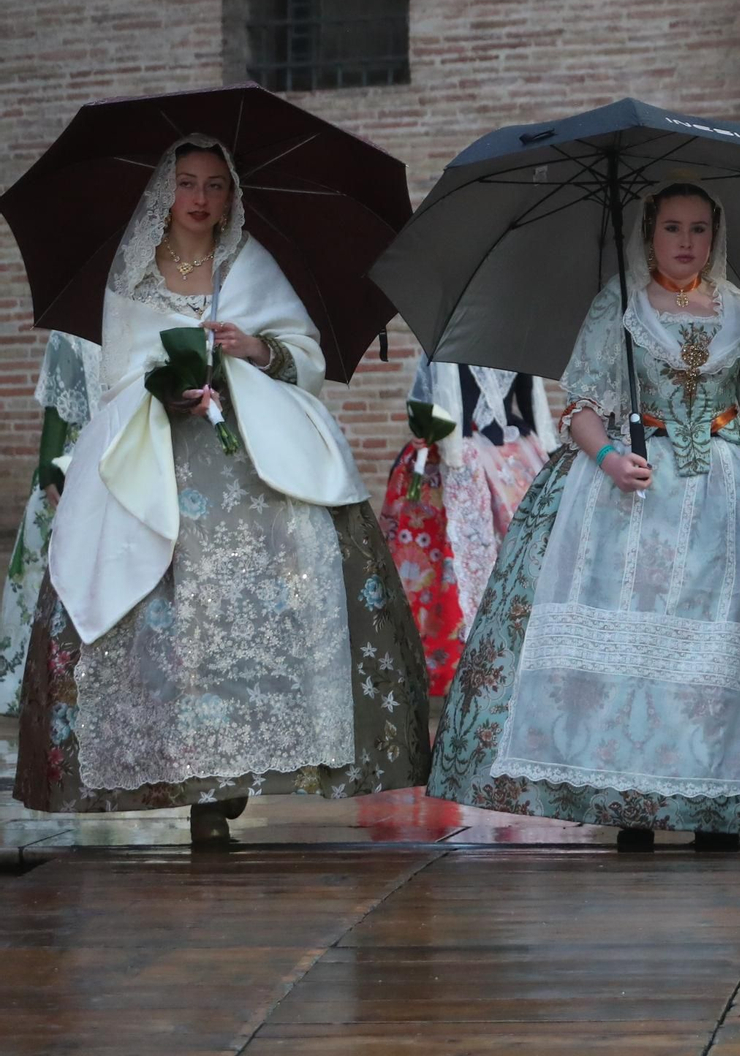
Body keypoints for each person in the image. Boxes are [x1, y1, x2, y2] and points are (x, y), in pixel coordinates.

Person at [14, 134, 430, 844]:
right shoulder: (134, 274)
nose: (201, 199)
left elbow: (304, 356)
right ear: (164, 193)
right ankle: (187, 771)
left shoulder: (250, 264)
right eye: (187, 183)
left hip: (253, 460)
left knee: (275, 598)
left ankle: (235, 777)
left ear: (232, 195)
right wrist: (165, 389)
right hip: (157, 462)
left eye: (215, 185)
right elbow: (118, 374)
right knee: (169, 621)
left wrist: (254, 348)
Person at [426, 182, 740, 847]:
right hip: (631, 497)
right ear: (648, 233)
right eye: (673, 228)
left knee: (715, 654)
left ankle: (713, 804)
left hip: (725, 499)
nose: (687, 242)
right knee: (635, 648)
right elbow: (579, 403)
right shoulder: (620, 307)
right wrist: (608, 456)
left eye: (699, 228)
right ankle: (633, 801)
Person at [380, 356, 554, 695]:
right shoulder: (451, 343)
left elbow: (532, 403)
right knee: (441, 559)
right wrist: (437, 439)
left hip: (507, 456)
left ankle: (514, 655)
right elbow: (428, 403)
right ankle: (446, 661)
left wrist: (547, 451)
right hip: (451, 461)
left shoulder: (512, 342)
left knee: (522, 553)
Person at [0, 332, 100, 715]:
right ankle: (48, 676)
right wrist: (47, 473)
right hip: (72, 465)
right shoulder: (70, 336)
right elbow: (57, 410)